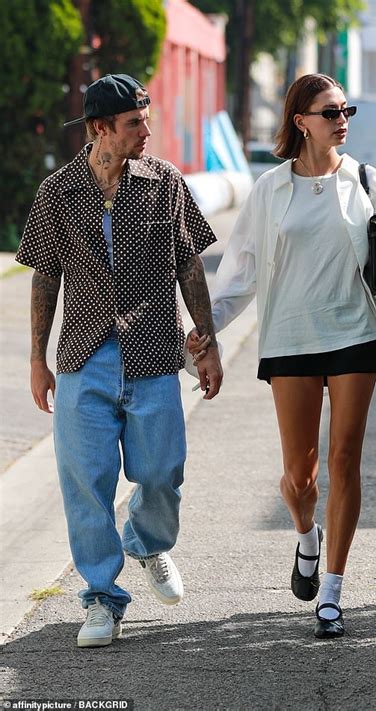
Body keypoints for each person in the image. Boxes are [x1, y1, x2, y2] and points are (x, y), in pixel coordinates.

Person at [187, 73, 376, 638]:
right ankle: (307, 534)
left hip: (354, 332)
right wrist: (206, 332)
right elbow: (242, 273)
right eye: (330, 111)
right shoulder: (269, 189)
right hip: (290, 338)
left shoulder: (367, 182)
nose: (342, 119)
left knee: (344, 458)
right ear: (300, 120)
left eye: (345, 109)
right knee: (298, 477)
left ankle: (332, 588)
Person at [16, 73, 223, 647]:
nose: (146, 130)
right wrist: (38, 359)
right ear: (100, 129)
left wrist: (206, 341)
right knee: (86, 482)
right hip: (85, 356)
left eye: (145, 118)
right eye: (134, 123)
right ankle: (102, 598)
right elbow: (44, 277)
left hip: (155, 353)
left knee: (162, 474)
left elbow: (189, 265)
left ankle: (148, 541)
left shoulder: (166, 184)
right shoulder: (57, 192)